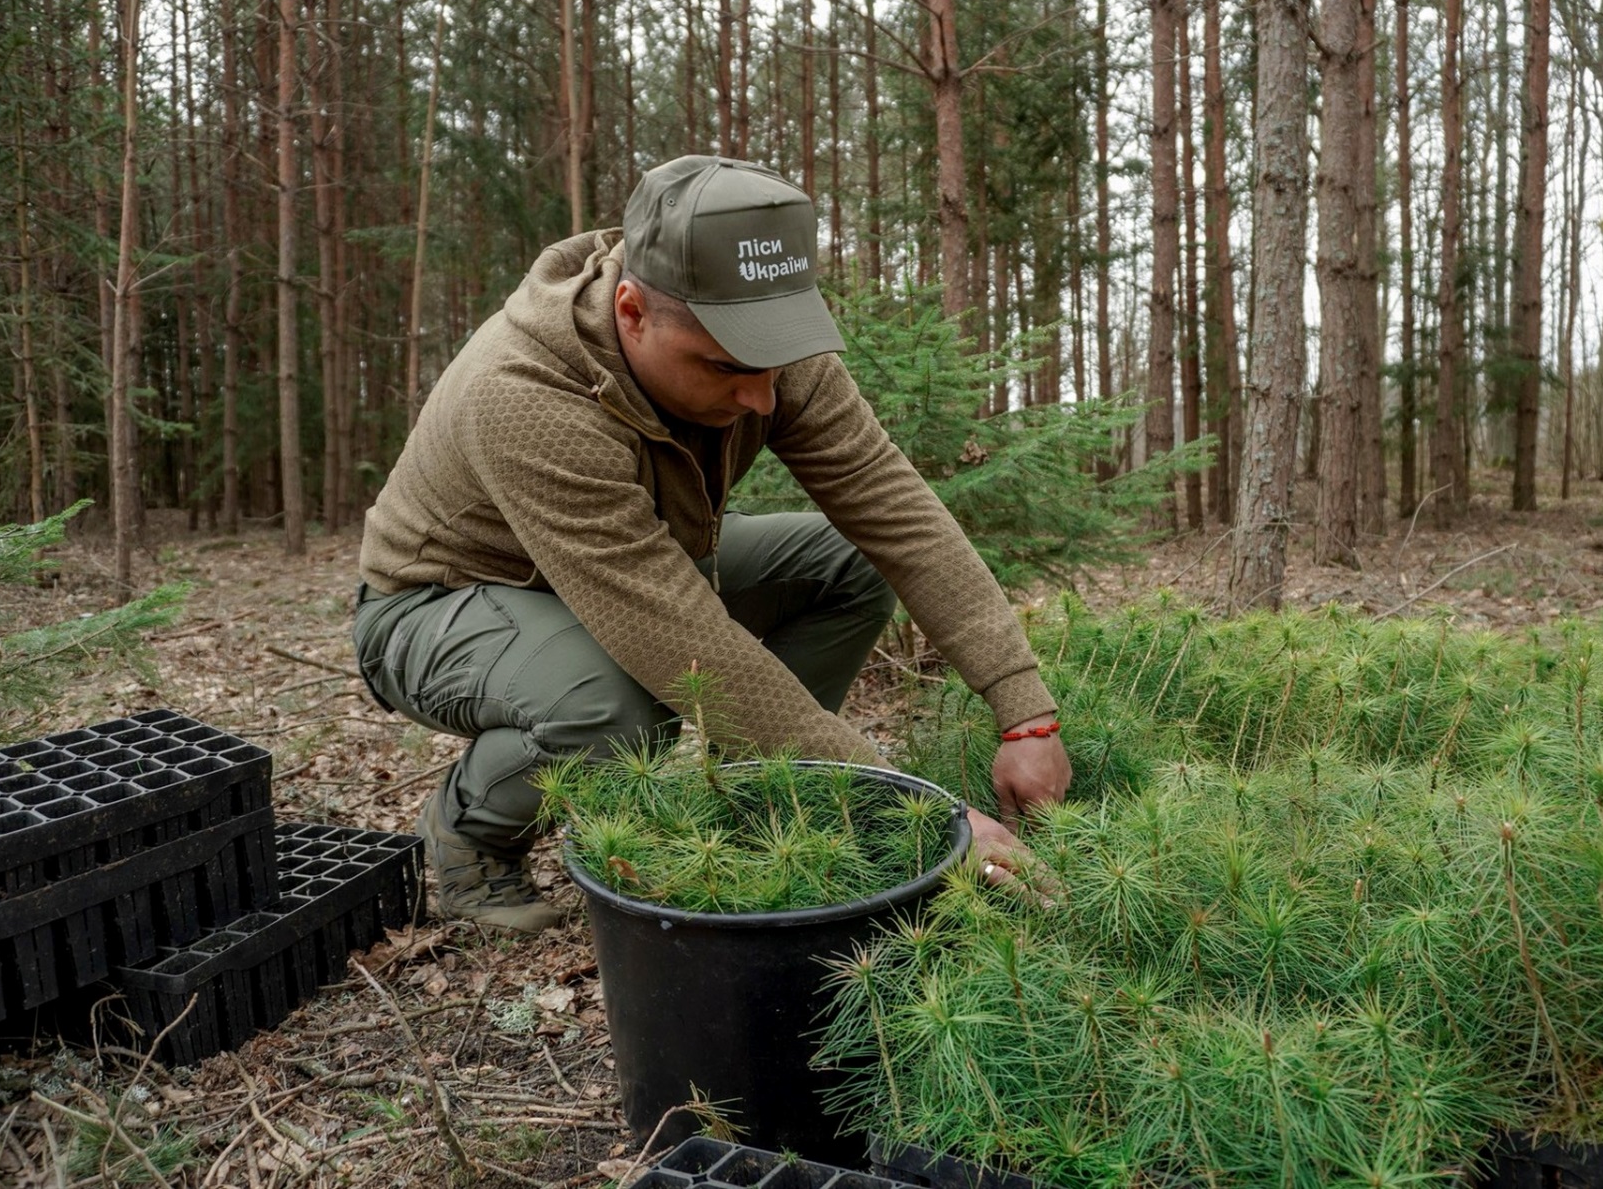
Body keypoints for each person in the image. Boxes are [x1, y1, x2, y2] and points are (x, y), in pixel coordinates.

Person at [353, 154, 1070, 931]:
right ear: (631, 310)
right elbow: (678, 641)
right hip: (437, 605)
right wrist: (918, 812)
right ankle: (468, 839)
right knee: (620, 705)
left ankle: (759, 799)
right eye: (726, 365)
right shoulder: (525, 395)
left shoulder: (764, 344)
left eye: (773, 361)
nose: (761, 396)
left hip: (630, 569)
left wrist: (1027, 713)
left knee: (848, 563)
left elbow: (894, 509)